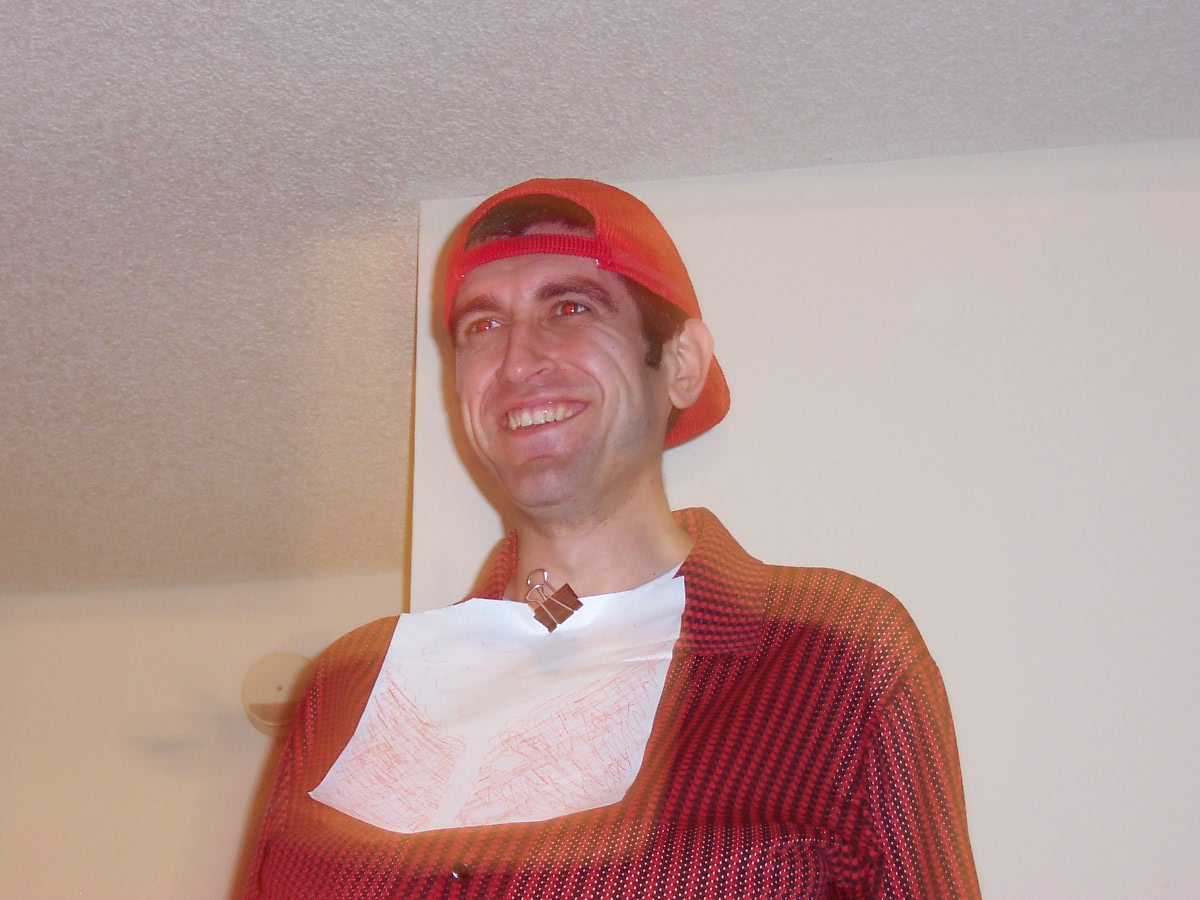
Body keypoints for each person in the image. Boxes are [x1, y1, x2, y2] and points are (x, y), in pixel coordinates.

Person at [241, 178, 980, 899]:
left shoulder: (835, 654)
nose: (516, 361)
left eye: (570, 308)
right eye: (481, 326)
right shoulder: (348, 686)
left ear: (681, 364)